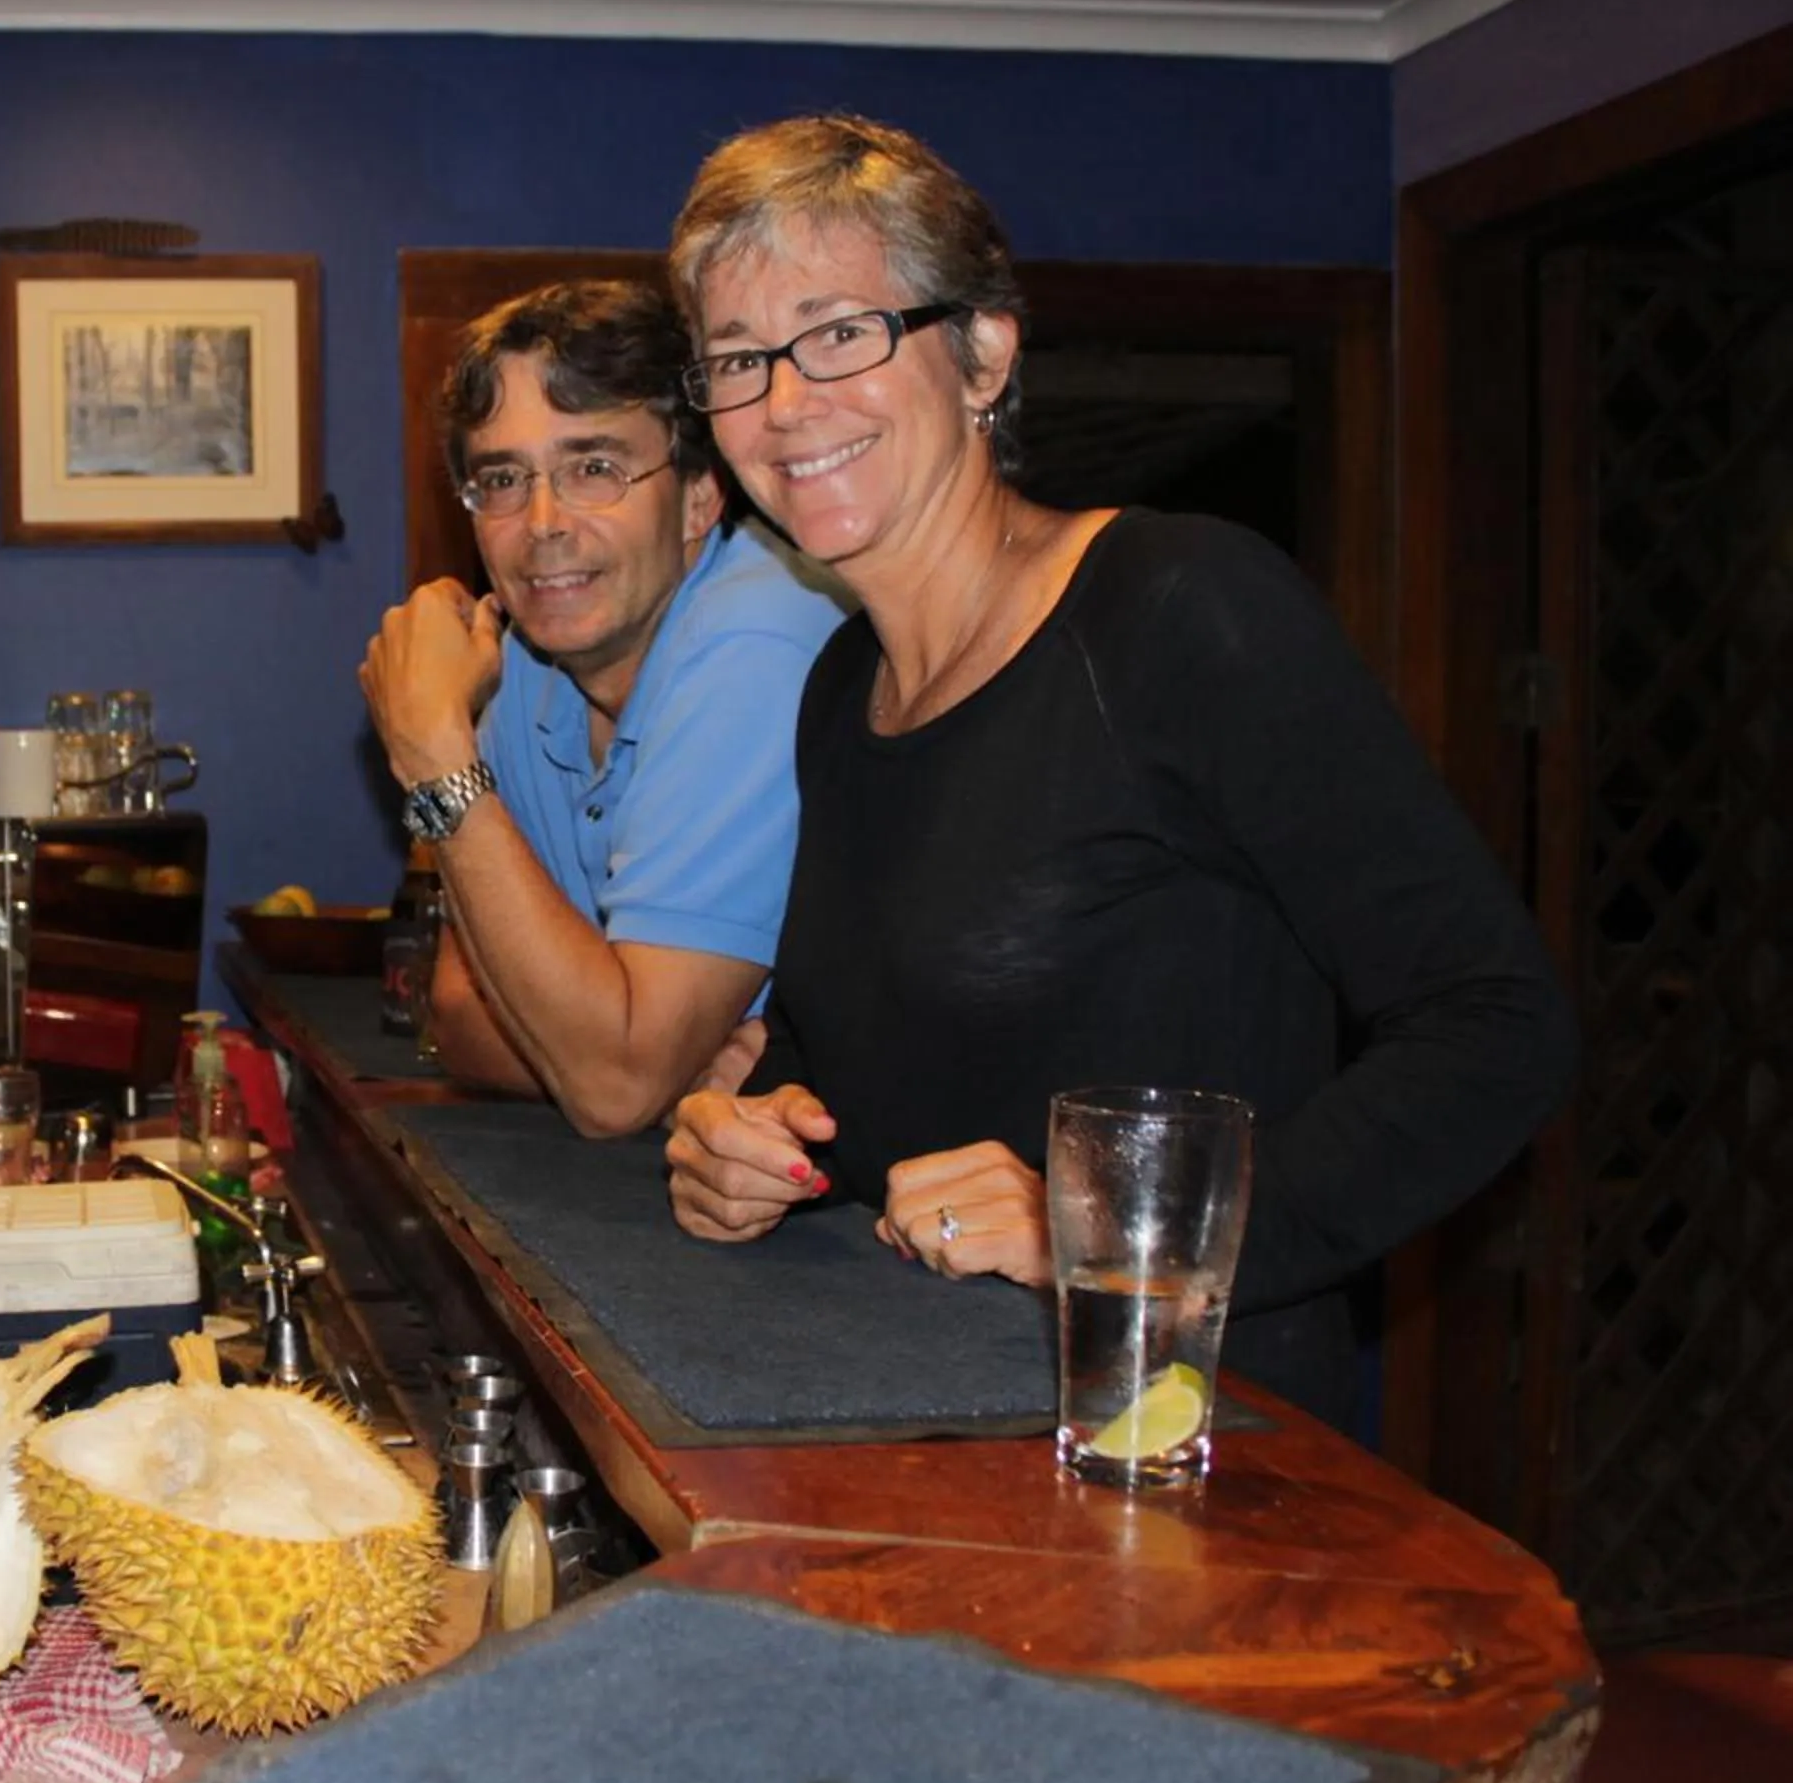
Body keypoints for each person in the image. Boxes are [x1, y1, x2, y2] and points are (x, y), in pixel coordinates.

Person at [657, 114, 1574, 1428]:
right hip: (924, 1422)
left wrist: (1105, 1228)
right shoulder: (838, 686)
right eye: (738, 358)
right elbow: (868, 1036)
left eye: (841, 332)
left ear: (983, 351)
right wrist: (746, 1130)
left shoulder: (1180, 609)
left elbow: (1499, 1029)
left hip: (1189, 1448)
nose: (784, 403)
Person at [358, 280, 842, 1136]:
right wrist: (646, 1058)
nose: (543, 523)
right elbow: (460, 1015)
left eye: (594, 468)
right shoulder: (516, 664)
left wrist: (437, 758)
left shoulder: (760, 638)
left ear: (699, 496)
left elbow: (613, 1088)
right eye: (502, 479)